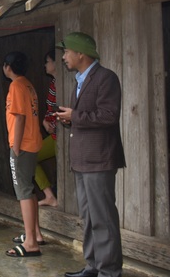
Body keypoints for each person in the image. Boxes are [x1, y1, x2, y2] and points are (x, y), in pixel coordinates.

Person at [56, 32, 126, 277]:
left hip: (99, 159)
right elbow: (86, 117)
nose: (63, 57)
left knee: (103, 217)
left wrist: (74, 116)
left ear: (80, 53)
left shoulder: (106, 78)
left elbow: (109, 116)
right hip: (83, 160)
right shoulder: (80, 80)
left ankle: (109, 271)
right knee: (88, 216)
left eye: (66, 52)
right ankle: (93, 266)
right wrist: (69, 119)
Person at [2, 51, 43, 258]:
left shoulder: (16, 85)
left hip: (23, 144)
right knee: (29, 187)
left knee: (23, 191)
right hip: (32, 141)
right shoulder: (27, 84)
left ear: (8, 67)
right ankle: (35, 233)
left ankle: (31, 243)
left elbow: (19, 118)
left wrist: (15, 147)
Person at [36, 49, 58, 207]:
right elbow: (51, 111)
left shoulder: (67, 83)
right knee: (30, 159)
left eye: (48, 61)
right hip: (56, 136)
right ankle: (50, 195)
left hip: (66, 136)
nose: (45, 65)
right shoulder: (53, 84)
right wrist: (45, 121)